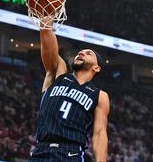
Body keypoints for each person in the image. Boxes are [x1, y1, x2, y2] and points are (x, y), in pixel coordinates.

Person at [28, 15, 110, 162]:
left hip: (71, 153)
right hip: (41, 150)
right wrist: (46, 27)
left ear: (96, 68)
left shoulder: (100, 95)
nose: (81, 53)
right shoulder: (58, 74)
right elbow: (50, 49)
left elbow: (99, 133)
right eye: (80, 52)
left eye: (88, 53)